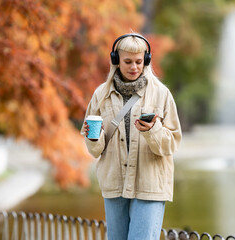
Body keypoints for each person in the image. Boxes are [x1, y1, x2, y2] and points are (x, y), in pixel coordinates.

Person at [81, 33, 182, 240]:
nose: (134, 67)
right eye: (127, 61)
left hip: (150, 184)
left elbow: (171, 144)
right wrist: (93, 137)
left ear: (146, 60)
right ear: (116, 61)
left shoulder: (161, 94)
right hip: (114, 184)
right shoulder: (101, 95)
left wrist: (152, 130)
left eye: (139, 61)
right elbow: (95, 151)